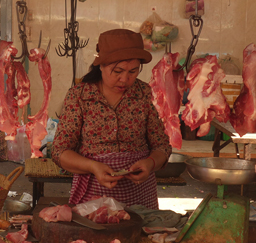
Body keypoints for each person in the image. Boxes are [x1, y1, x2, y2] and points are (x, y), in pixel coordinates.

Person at [52, 28, 172, 209]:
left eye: (133, 71)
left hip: (139, 193)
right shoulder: (80, 95)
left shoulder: (143, 93)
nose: (125, 79)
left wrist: (150, 164)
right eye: (118, 71)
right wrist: (94, 167)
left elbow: (162, 146)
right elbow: (60, 152)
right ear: (101, 65)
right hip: (94, 194)